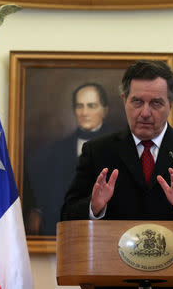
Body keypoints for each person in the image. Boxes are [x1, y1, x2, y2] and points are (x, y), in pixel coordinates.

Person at [61, 60, 173, 289]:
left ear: (170, 104)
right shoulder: (97, 151)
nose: (145, 112)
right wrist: (95, 207)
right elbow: (67, 214)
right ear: (124, 101)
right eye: (137, 102)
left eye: (156, 103)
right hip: (113, 283)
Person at [25, 82, 114, 236]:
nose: (84, 112)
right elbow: (47, 193)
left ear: (104, 110)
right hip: (62, 231)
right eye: (80, 106)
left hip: (106, 234)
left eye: (91, 106)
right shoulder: (55, 151)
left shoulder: (118, 148)